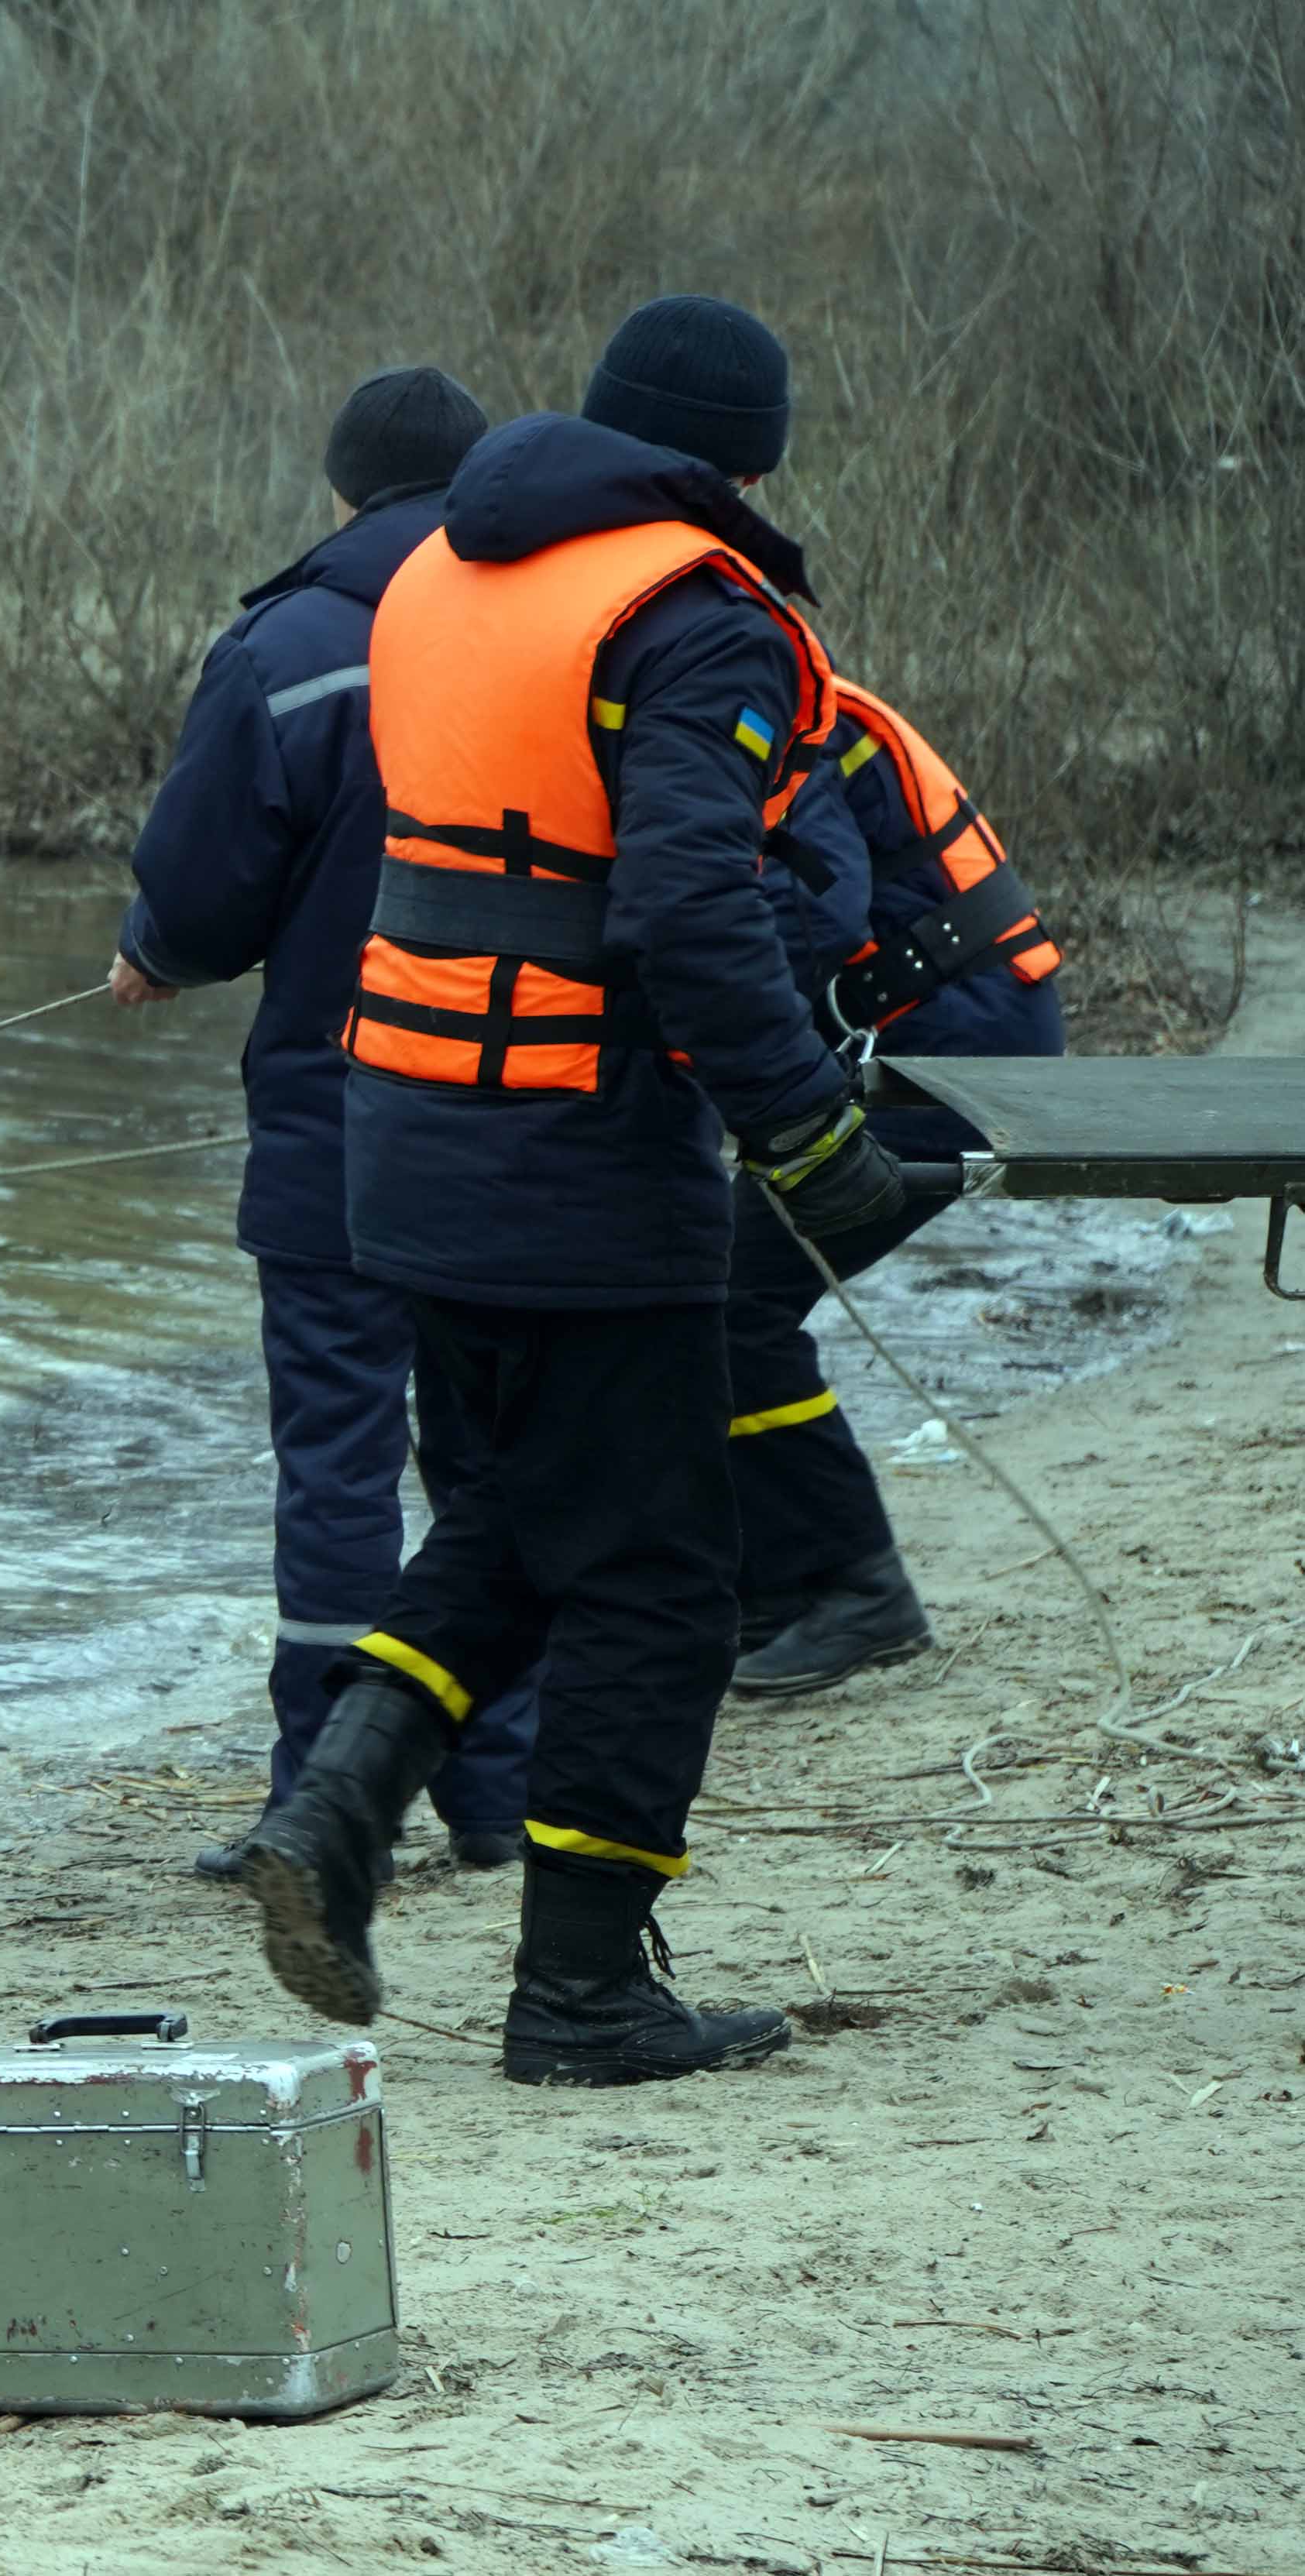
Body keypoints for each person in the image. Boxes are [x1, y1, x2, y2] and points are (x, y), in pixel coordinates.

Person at [238, 296, 910, 2088]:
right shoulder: (693, 615)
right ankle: (580, 1995)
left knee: (524, 1518)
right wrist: (810, 1139)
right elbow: (684, 906)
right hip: (579, 1159)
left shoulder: (444, 576)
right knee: (661, 1580)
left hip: (400, 1137)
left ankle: (334, 1814)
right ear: (742, 460)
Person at [108, 365, 537, 1880]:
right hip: (528, 1122)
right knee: (490, 1462)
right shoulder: (560, 636)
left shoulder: (288, 647)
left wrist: (148, 953)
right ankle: (496, 1789)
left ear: (338, 493)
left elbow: (204, 894)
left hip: (337, 1126)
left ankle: (319, 1793)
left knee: (339, 1467)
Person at [724, 678, 1066, 1694]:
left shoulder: (764, 710)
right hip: (940, 1025)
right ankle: (780, 1588)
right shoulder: (762, 690)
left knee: (735, 1294)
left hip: (957, 1049)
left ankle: (854, 1586)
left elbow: (806, 907)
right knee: (722, 1284)